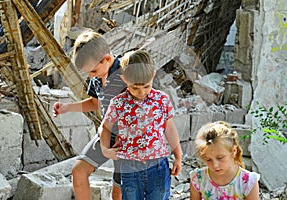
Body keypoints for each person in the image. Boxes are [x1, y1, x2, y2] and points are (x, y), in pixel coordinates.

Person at [53, 29, 126, 200]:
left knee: (119, 193)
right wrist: (67, 107)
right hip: (106, 134)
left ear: (107, 59)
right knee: (78, 171)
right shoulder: (96, 78)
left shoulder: (125, 74)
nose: (90, 76)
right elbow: (94, 103)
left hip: (127, 140)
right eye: (87, 73)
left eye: (92, 71)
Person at [99, 50, 182, 200]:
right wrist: (105, 150)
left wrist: (178, 156)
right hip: (130, 168)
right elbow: (105, 127)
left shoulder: (162, 100)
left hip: (158, 167)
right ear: (125, 79)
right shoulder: (118, 103)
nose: (141, 92)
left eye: (146, 86)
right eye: (135, 88)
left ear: (153, 76)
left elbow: (169, 128)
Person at [190, 121, 260, 200]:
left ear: (234, 151)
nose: (215, 165)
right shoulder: (198, 178)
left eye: (220, 158)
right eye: (208, 159)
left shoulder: (248, 182)